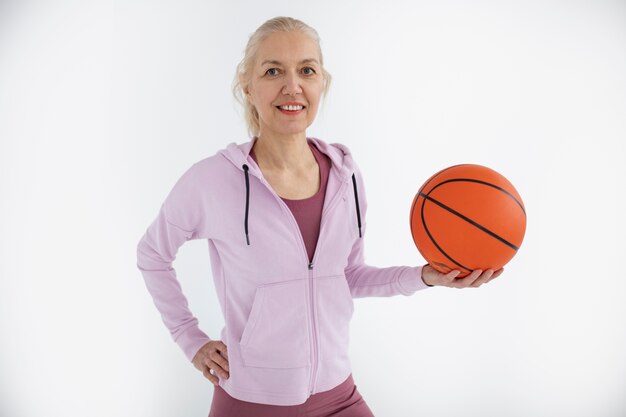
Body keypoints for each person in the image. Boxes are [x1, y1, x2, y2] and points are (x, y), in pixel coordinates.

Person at [136, 16, 503, 417]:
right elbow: (152, 255)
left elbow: (346, 277)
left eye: (306, 71)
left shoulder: (346, 176)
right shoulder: (212, 181)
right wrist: (189, 338)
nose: (292, 86)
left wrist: (426, 276)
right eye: (273, 70)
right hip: (250, 402)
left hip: (338, 396)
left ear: (321, 83)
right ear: (247, 85)